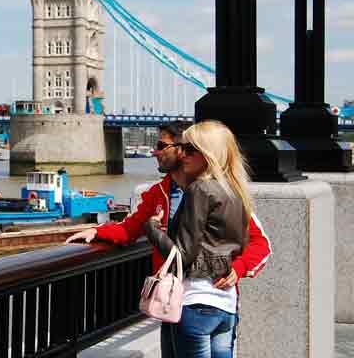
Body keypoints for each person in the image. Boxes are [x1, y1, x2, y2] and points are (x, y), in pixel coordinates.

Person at [65, 121, 271, 357]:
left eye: (163, 145)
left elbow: (261, 243)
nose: (155, 151)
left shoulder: (214, 191)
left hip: (199, 301)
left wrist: (241, 266)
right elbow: (130, 228)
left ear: (183, 149)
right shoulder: (158, 193)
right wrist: (98, 232)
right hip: (176, 301)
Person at [145, 120, 252, 358]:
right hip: (226, 306)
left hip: (196, 301)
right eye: (183, 147)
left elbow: (182, 256)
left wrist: (153, 228)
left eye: (191, 149)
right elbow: (241, 246)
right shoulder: (236, 191)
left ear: (209, 153)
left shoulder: (200, 190)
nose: (184, 154)